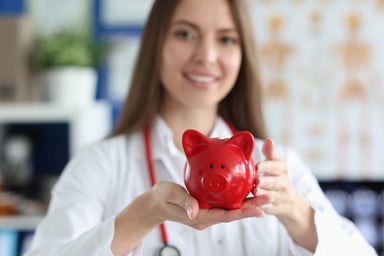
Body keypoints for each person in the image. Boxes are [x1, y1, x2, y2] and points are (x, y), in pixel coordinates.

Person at [25, 0, 377, 255]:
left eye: (226, 39)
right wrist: (141, 217)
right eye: (185, 34)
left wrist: (298, 214)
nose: (206, 55)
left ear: (243, 55)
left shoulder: (277, 170)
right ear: (155, 45)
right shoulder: (99, 165)